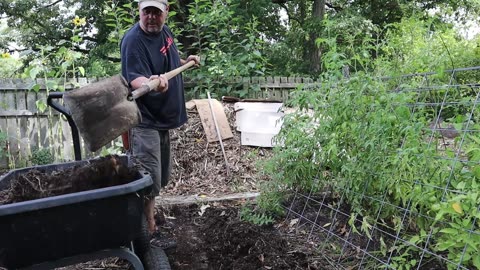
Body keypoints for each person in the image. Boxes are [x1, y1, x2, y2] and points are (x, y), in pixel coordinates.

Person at [120, 0, 200, 236]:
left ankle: (148, 221)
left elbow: (169, 58)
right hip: (145, 121)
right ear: (139, 11)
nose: (152, 17)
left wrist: (185, 62)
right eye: (147, 12)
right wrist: (150, 83)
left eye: (157, 12)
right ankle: (147, 233)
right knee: (148, 179)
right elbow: (134, 78)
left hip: (162, 119)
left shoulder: (165, 31)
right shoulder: (133, 41)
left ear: (166, 11)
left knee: (161, 177)